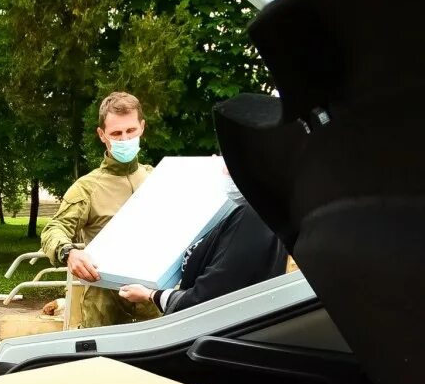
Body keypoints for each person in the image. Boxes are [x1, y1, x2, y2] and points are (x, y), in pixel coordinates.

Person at [40, 91, 160, 328]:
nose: (125, 139)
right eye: (116, 133)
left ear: (142, 128)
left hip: (154, 303)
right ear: (102, 135)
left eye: (130, 131)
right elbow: (53, 229)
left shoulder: (157, 179)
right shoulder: (87, 187)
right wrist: (69, 253)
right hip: (105, 307)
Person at [119, 174, 288, 314]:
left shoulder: (252, 217)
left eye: (227, 164)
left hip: (219, 337)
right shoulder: (255, 212)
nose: (223, 170)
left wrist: (150, 294)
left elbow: (208, 297)